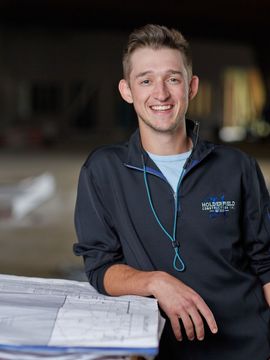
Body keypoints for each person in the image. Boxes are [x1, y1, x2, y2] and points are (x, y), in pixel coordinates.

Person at [73, 24, 270, 359]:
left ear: (191, 87)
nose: (161, 93)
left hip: (248, 348)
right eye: (146, 80)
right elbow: (100, 267)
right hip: (160, 350)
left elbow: (266, 264)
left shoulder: (237, 167)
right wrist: (155, 282)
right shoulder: (103, 171)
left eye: (173, 79)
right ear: (127, 90)